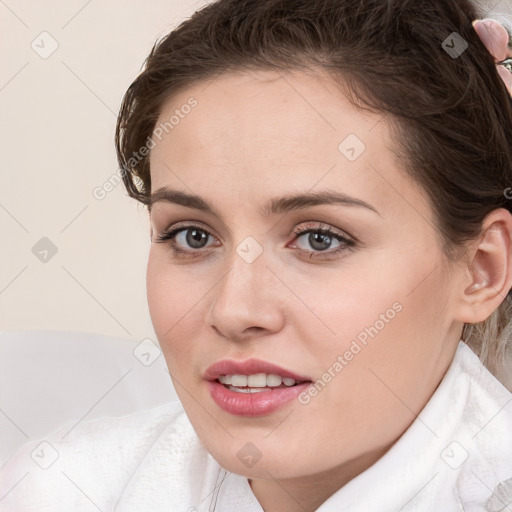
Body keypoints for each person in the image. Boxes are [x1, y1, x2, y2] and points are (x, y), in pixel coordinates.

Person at [1, 1, 512, 511]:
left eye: (320, 239)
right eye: (192, 236)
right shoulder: (63, 489)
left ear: (481, 271)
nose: (234, 311)